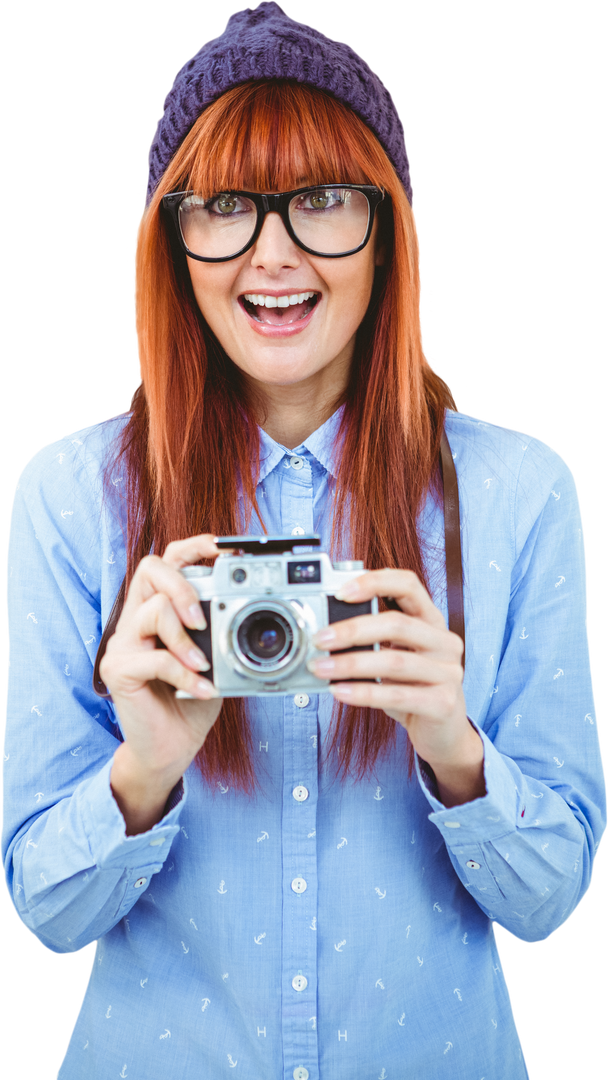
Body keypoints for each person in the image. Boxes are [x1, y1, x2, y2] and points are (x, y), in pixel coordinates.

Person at [2, 3, 605, 1078]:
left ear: (387, 229)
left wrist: (453, 751)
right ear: (170, 236)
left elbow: (550, 903)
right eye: (225, 205)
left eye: (321, 201)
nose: (271, 257)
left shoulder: (518, 492)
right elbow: (46, 912)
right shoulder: (71, 496)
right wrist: (144, 769)